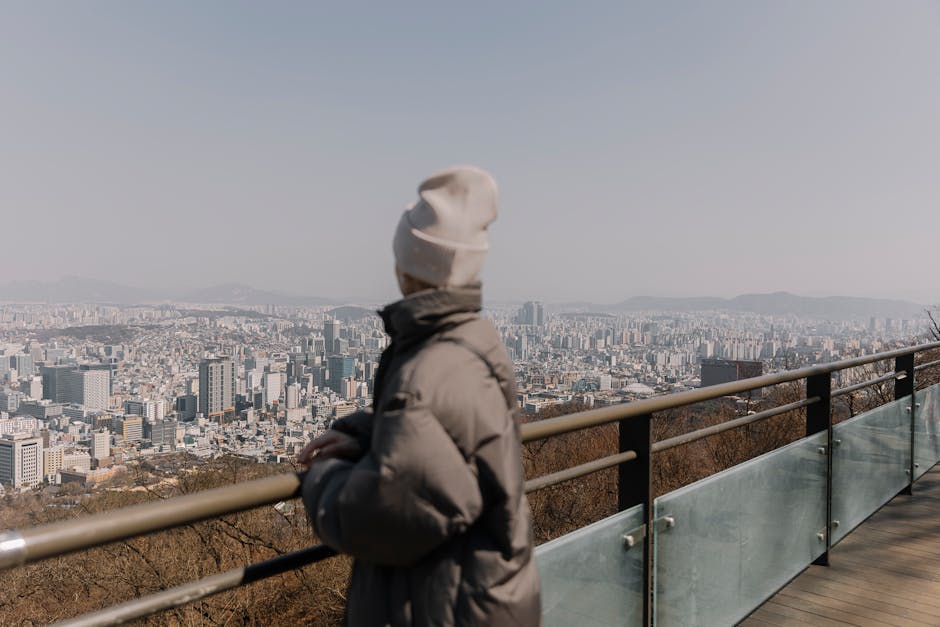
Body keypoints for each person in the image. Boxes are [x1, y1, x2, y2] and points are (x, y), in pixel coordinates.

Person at [298, 165, 541, 626]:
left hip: (450, 606)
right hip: (480, 594)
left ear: (408, 267)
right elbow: (449, 440)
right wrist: (371, 435)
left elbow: (383, 516)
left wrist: (322, 477)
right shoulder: (474, 339)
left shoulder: (429, 371)